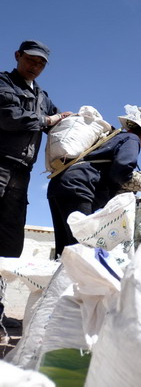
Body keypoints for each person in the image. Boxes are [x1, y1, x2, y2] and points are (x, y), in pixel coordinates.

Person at [0, 40, 71, 327]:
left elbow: (56, 119)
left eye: (41, 63)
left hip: (21, 174)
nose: (35, 67)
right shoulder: (4, 83)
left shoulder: (42, 95)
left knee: (9, 244)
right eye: (31, 60)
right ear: (18, 56)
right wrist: (48, 119)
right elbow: (9, 117)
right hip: (1, 163)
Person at [47, 105, 141, 258]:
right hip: (79, 188)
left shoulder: (112, 137)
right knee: (82, 250)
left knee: (65, 249)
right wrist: (138, 181)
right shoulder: (132, 139)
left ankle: (63, 280)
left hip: (59, 185)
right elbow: (121, 171)